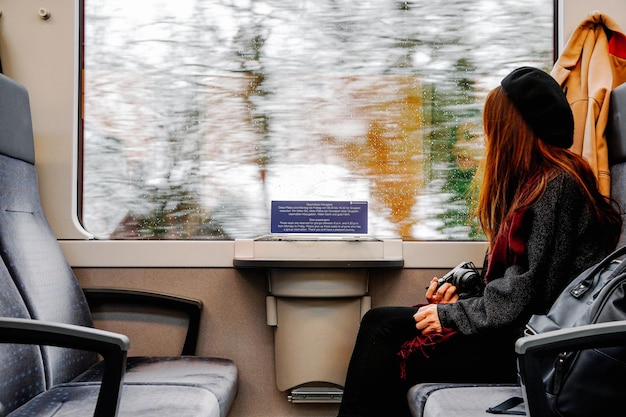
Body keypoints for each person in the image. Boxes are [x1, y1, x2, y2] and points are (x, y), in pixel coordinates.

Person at [336, 67, 623, 417]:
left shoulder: (558, 186)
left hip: (529, 342)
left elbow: (529, 291)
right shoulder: (531, 185)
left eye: (492, 127)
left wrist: (452, 315)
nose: (487, 138)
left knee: (385, 334)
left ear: (511, 130)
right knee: (380, 323)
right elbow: (507, 278)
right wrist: (460, 294)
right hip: (511, 328)